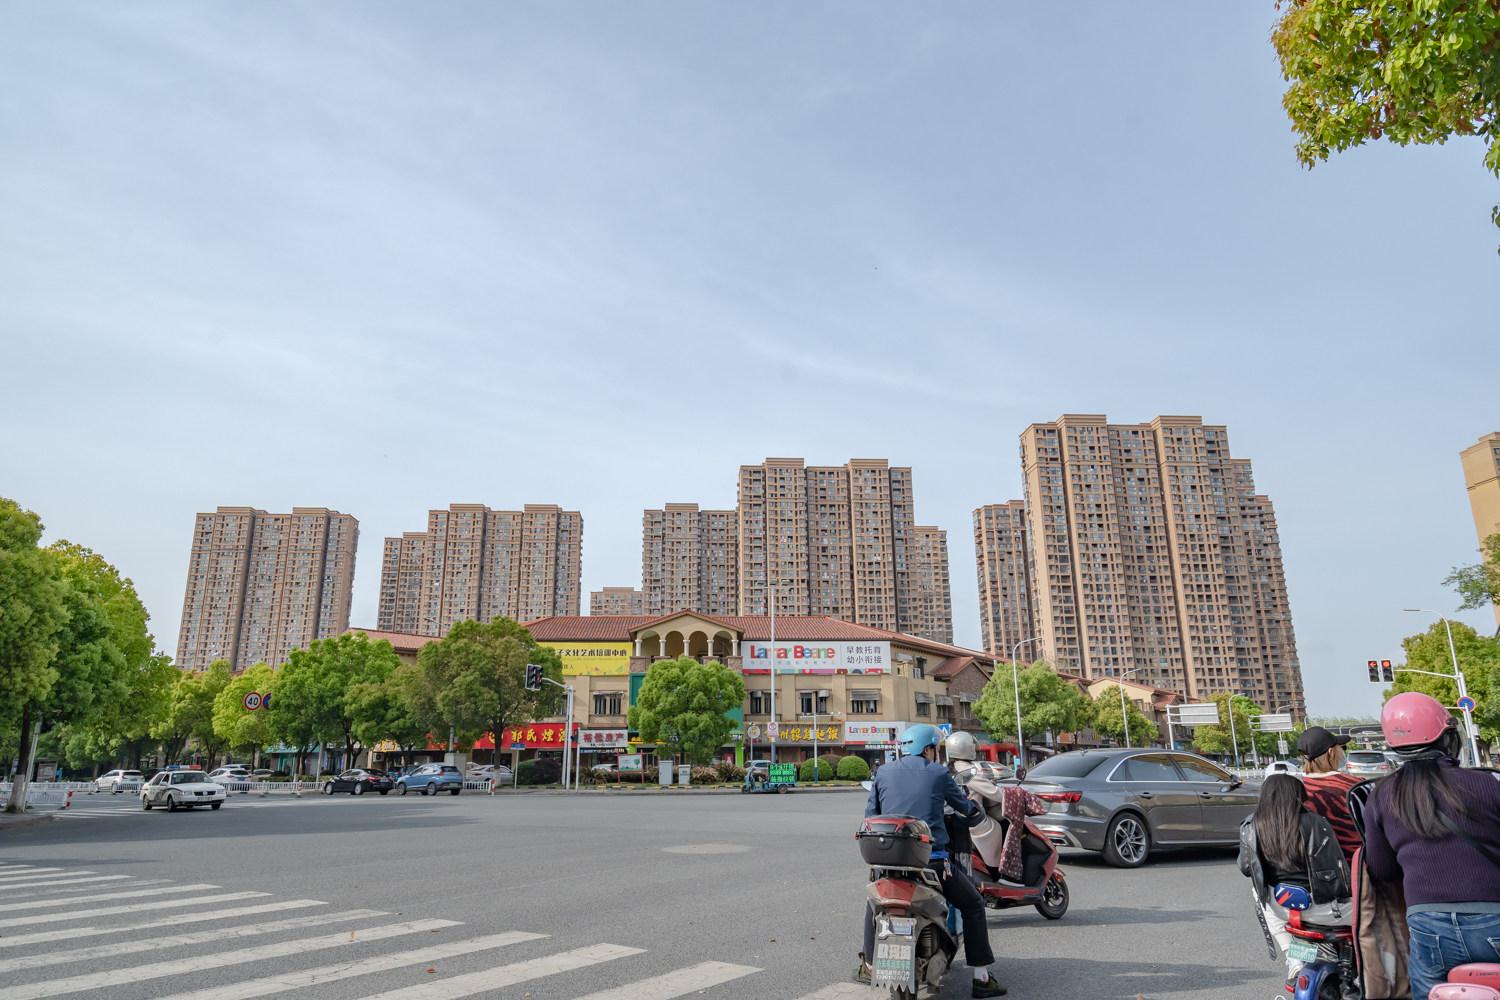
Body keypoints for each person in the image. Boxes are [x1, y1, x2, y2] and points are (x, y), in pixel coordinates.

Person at [1362, 692, 1500, 1000]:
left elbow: (1382, 869)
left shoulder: (1381, 795)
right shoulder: (1489, 784)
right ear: (1448, 738)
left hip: (1427, 923)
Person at [858, 723, 1006, 998]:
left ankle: (868, 965)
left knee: (874, 902)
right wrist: (974, 813)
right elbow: (964, 807)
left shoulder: (883, 772)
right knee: (974, 904)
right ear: (927, 749)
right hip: (932, 864)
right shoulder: (938, 773)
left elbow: (871, 814)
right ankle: (982, 978)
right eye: (934, 749)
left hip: (888, 864)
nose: (935, 753)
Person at [1239, 774, 1351, 983]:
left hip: (1281, 910)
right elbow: (1336, 869)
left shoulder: (1251, 825)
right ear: (1297, 796)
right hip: (1327, 911)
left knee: (1257, 891)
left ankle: (1293, 958)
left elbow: (1246, 868)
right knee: (1373, 915)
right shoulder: (1315, 822)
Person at [1296, 726, 1363, 861]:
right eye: (1342, 748)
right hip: (1355, 864)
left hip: (1316, 866)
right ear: (1331, 752)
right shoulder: (1354, 785)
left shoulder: (1297, 788)